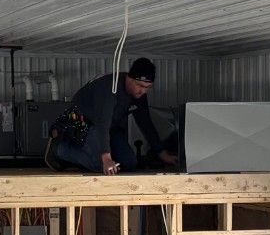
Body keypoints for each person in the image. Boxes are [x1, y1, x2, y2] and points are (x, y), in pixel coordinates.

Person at [47, 57, 181, 174]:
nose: (143, 91)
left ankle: (82, 159)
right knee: (101, 166)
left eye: (148, 87)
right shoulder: (110, 88)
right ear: (129, 78)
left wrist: (162, 153)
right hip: (84, 123)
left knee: (129, 164)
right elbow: (102, 124)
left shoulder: (138, 95)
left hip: (111, 127)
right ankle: (59, 149)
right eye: (140, 85)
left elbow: (145, 123)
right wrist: (106, 158)